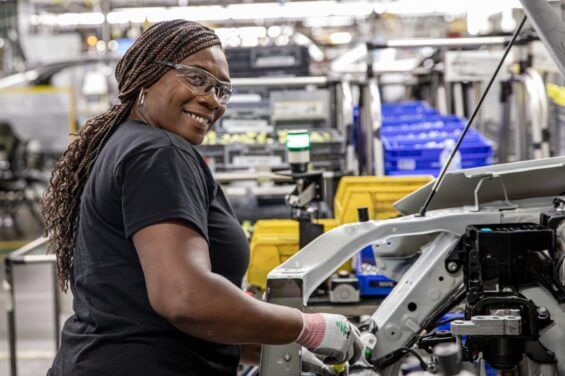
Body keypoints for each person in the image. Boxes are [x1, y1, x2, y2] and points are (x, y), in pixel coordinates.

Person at [43, 20, 363, 376]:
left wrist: (278, 347)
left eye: (222, 89)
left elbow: (137, 307)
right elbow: (184, 298)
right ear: (147, 76)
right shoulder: (160, 152)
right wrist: (307, 327)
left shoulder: (128, 143)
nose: (212, 99)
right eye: (196, 78)